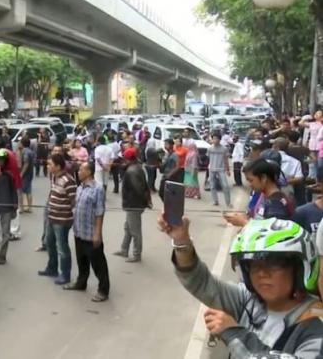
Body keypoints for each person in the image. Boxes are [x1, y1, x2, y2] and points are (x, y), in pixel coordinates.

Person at [160, 216, 323, 358]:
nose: (262, 273)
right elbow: (201, 282)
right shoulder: (249, 300)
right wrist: (182, 241)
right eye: (253, 265)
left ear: (300, 268)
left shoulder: (315, 325)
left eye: (274, 263)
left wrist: (234, 333)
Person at [64, 161, 109, 302]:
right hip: (79, 232)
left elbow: (100, 212)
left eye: (81, 170)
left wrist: (97, 233)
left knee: (98, 264)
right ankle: (81, 282)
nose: (78, 172)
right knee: (81, 261)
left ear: (89, 172)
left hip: (91, 234)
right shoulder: (80, 187)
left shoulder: (98, 188)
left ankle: (103, 290)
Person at [39, 153, 76, 284]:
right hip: (51, 218)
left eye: (50, 164)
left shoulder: (68, 181)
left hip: (62, 221)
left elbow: (74, 202)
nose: (47, 166)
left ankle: (65, 275)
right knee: (49, 244)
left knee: (62, 247)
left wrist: (64, 213)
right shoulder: (54, 177)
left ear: (58, 166)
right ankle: (52, 268)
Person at [114, 147, 151, 263]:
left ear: (128, 159)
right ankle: (124, 249)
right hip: (133, 204)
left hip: (133, 204)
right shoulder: (135, 168)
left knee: (134, 231)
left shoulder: (132, 171)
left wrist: (144, 201)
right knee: (128, 228)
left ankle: (136, 254)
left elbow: (138, 189)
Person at [207, 133, 232, 208]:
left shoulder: (224, 149)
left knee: (225, 185)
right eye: (213, 138)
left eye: (216, 138)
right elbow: (209, 159)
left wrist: (227, 170)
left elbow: (226, 160)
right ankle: (215, 201)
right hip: (211, 169)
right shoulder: (210, 148)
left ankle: (228, 202)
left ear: (219, 139)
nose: (215, 140)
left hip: (221, 169)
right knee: (212, 186)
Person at [19, 138, 35, 213]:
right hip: (30, 173)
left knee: (21, 192)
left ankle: (21, 208)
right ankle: (30, 207)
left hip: (25, 174)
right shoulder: (31, 151)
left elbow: (26, 163)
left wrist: (21, 174)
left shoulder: (25, 151)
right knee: (29, 191)